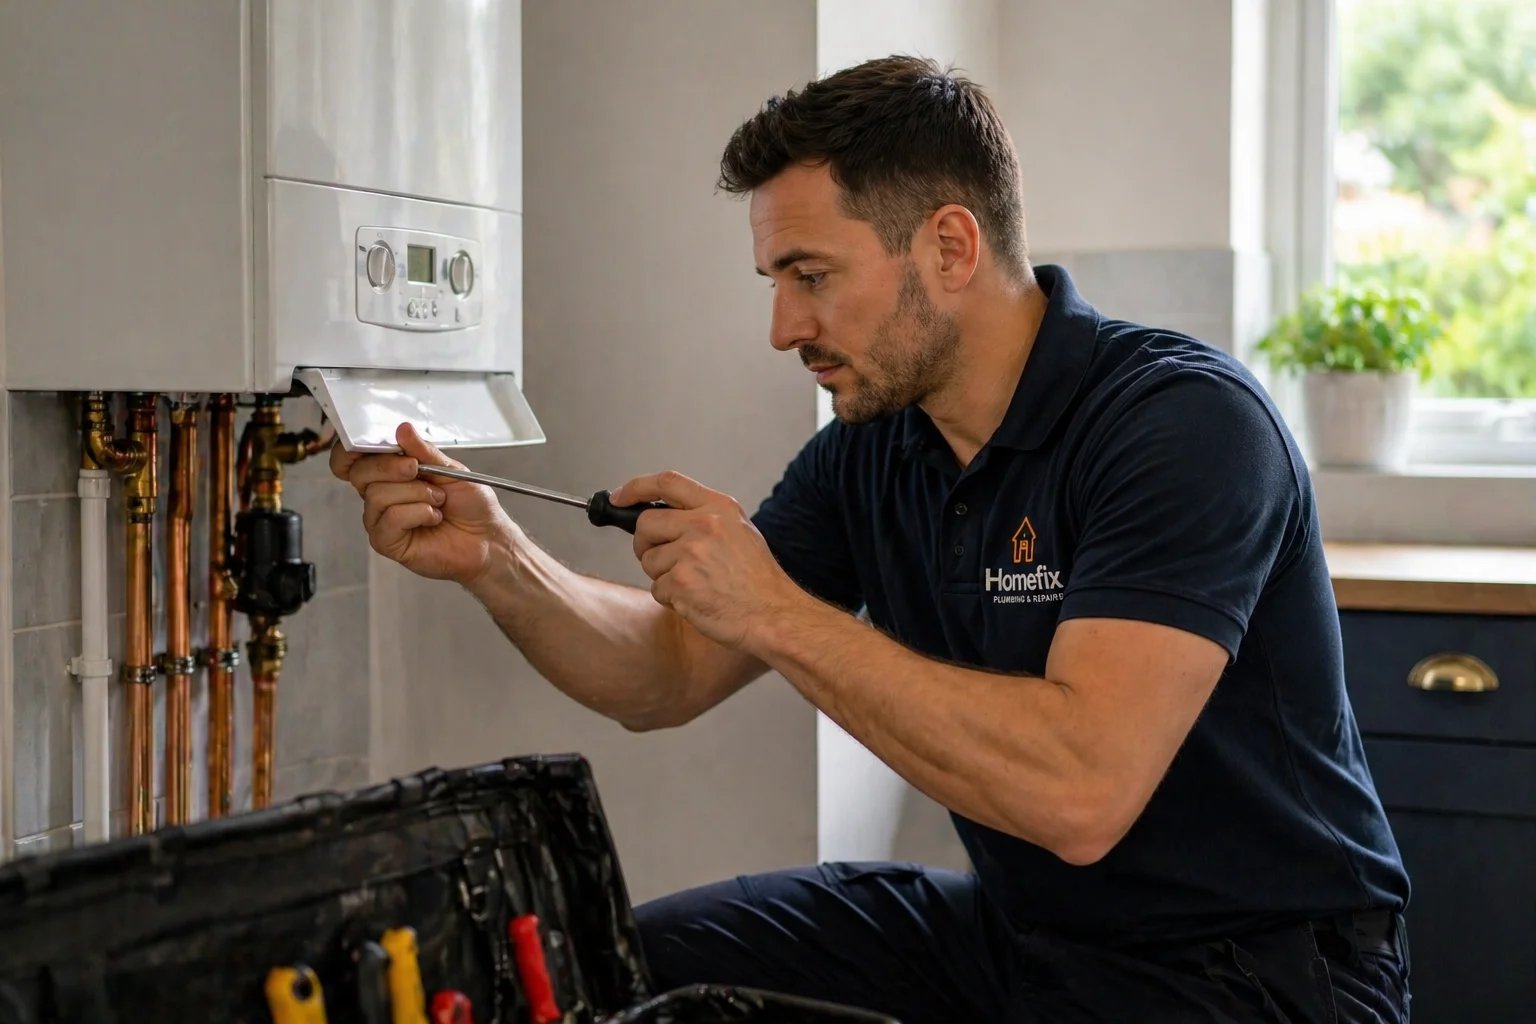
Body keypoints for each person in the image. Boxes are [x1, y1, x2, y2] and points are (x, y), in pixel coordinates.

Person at [332, 55, 1410, 1023]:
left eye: (811, 276)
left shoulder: (1180, 424)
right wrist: (499, 559)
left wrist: (774, 609)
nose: (783, 327)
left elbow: (1080, 793)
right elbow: (666, 672)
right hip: (1024, 940)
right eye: (775, 283)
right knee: (632, 964)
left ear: (948, 245)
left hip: (1257, 977)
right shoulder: (878, 447)